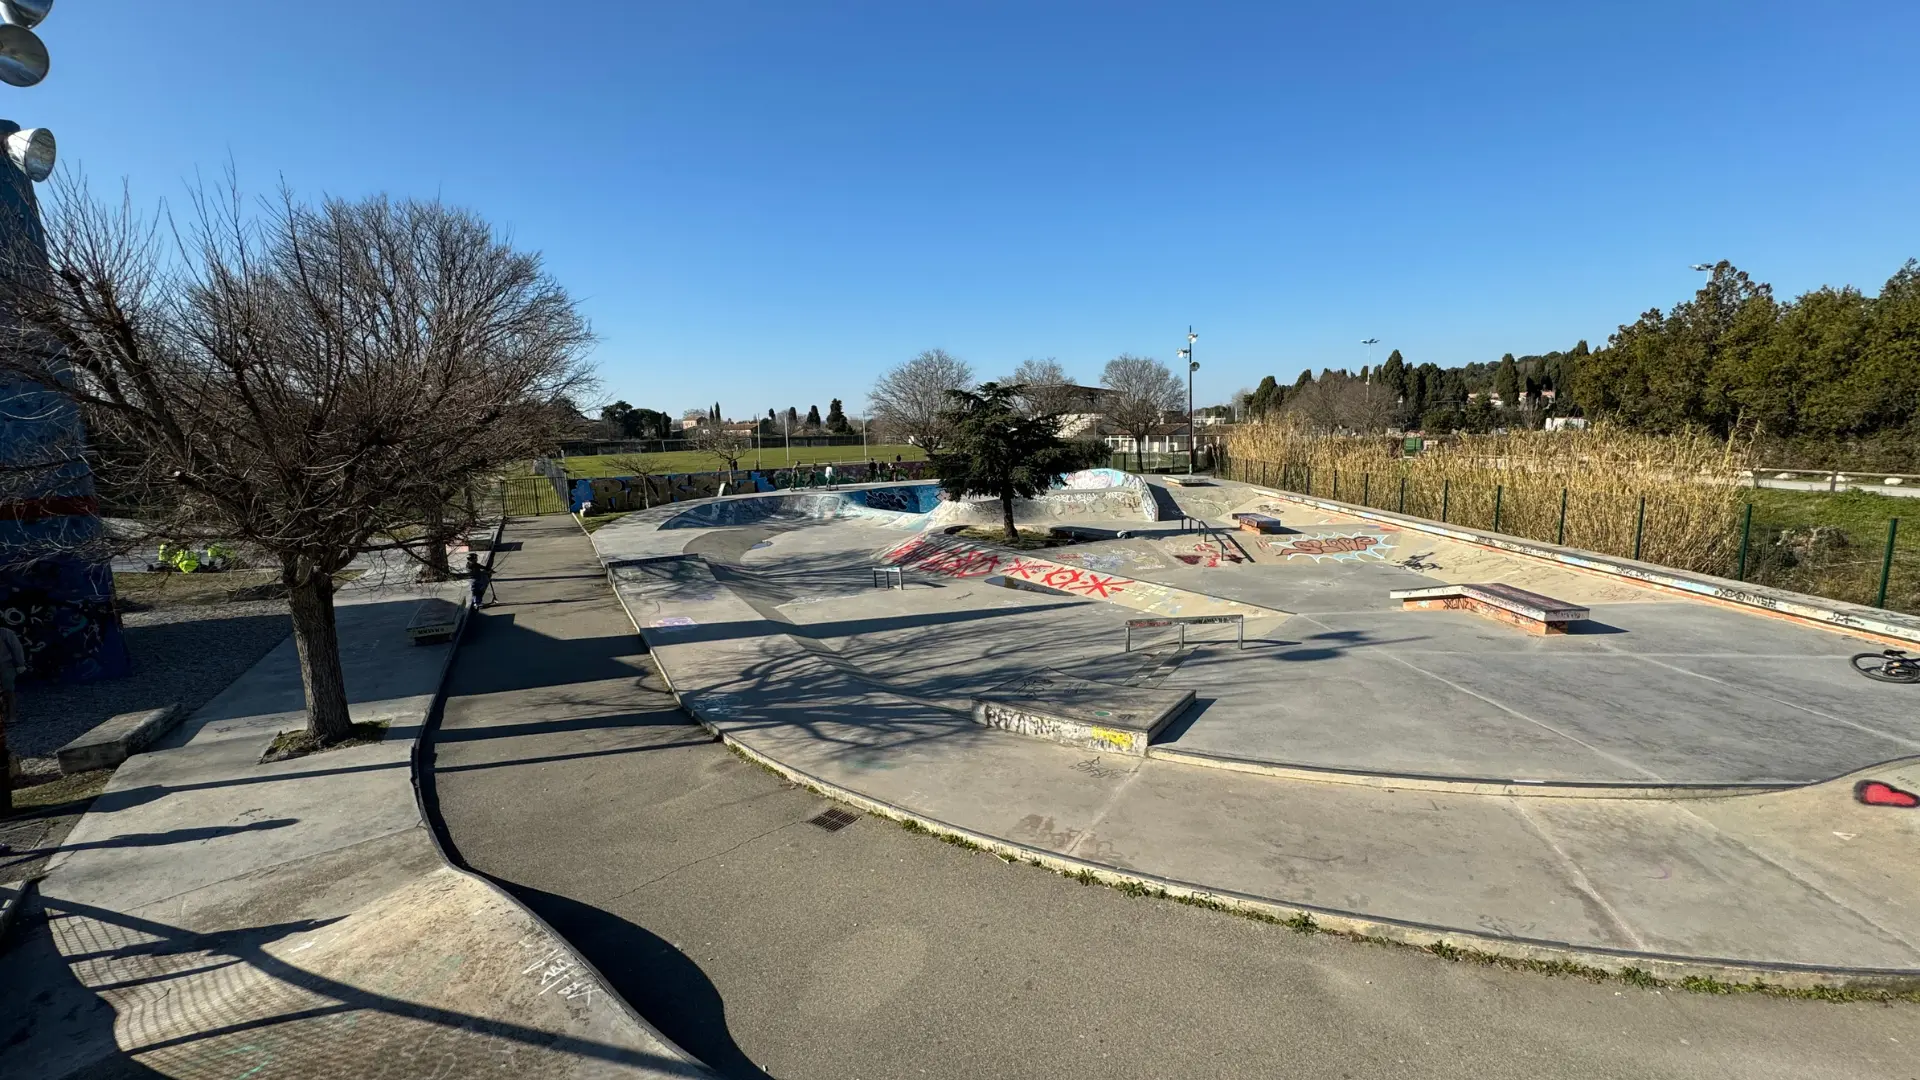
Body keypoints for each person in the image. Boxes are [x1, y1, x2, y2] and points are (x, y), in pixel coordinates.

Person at [0, 626, 23, 810]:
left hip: (5, 665)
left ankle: (12, 715)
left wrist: (19, 663)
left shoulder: (5, 633)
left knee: (9, 693)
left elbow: (16, 647)